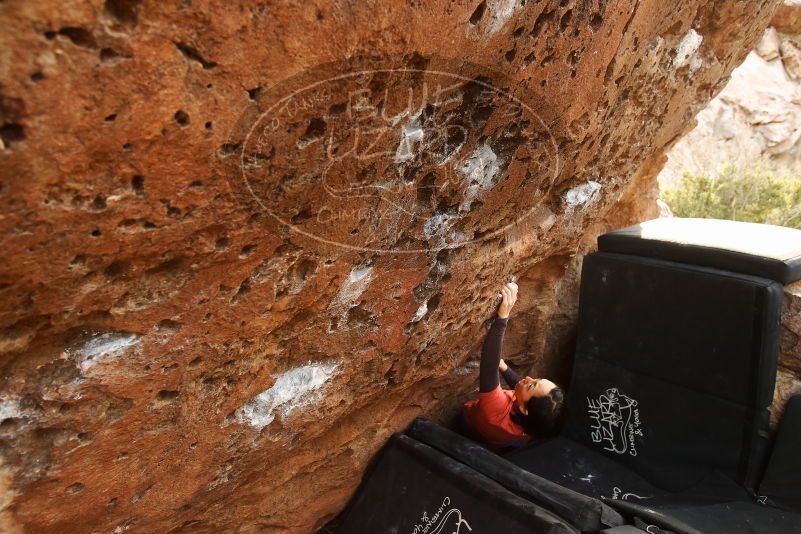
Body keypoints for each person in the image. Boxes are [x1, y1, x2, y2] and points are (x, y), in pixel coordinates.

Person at [462, 282, 567, 450]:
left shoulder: (496, 412)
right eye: (537, 379)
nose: (528, 378)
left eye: (532, 385)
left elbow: (488, 365)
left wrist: (503, 317)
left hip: (469, 420)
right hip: (495, 438)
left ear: (524, 409)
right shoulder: (532, 426)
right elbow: (521, 391)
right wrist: (504, 367)